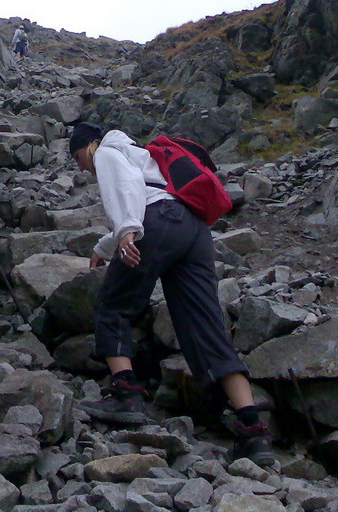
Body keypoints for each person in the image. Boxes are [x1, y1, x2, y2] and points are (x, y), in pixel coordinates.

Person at [70, 122, 274, 467]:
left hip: (155, 220)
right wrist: (103, 246)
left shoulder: (107, 150)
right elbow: (153, 193)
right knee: (205, 326)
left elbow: (128, 190)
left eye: (77, 156)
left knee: (113, 304)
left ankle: (125, 395)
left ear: (89, 145)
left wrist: (126, 233)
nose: (80, 166)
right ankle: (252, 429)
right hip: (192, 230)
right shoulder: (143, 155)